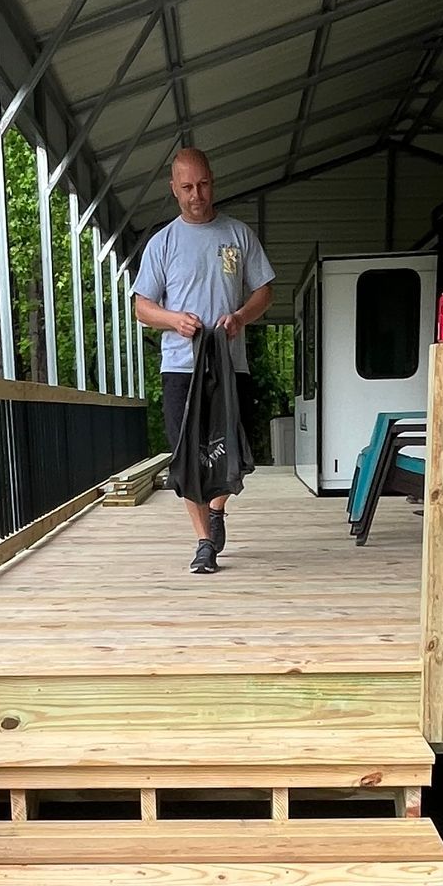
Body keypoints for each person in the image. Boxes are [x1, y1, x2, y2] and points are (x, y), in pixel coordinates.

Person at [131, 147, 274, 573]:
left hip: (230, 364)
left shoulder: (238, 235)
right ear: (174, 189)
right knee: (185, 452)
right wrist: (174, 320)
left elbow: (264, 291)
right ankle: (203, 542)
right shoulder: (163, 243)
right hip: (181, 367)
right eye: (188, 187)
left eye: (204, 184)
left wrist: (241, 316)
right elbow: (142, 307)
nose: (197, 195)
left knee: (235, 444)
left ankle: (217, 507)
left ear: (213, 181)